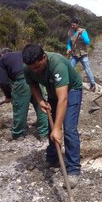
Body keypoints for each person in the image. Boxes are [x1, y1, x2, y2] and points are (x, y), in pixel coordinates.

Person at [22, 44, 83, 189]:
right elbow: (34, 85)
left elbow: (63, 98)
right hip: (52, 92)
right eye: (32, 68)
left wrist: (58, 128)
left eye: (37, 67)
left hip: (71, 90)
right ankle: (53, 158)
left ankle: (73, 170)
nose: (35, 70)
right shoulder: (28, 68)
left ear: (44, 57)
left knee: (68, 128)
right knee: (52, 128)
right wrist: (40, 101)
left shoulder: (57, 63)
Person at [0, 48, 48, 141]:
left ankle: (18, 134)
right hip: (35, 78)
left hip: (22, 81)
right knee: (41, 106)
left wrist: (8, 96)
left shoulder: (2, 60)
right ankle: (44, 133)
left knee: (20, 108)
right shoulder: (21, 54)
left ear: (1, 55)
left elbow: (3, 82)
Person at [67, 17, 96, 92]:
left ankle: (93, 84)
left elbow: (87, 42)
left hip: (83, 54)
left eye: (73, 25)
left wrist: (82, 35)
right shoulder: (70, 32)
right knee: (70, 69)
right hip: (74, 54)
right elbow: (69, 43)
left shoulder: (83, 31)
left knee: (87, 69)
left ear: (77, 25)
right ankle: (69, 84)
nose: (72, 27)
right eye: (71, 25)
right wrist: (68, 48)